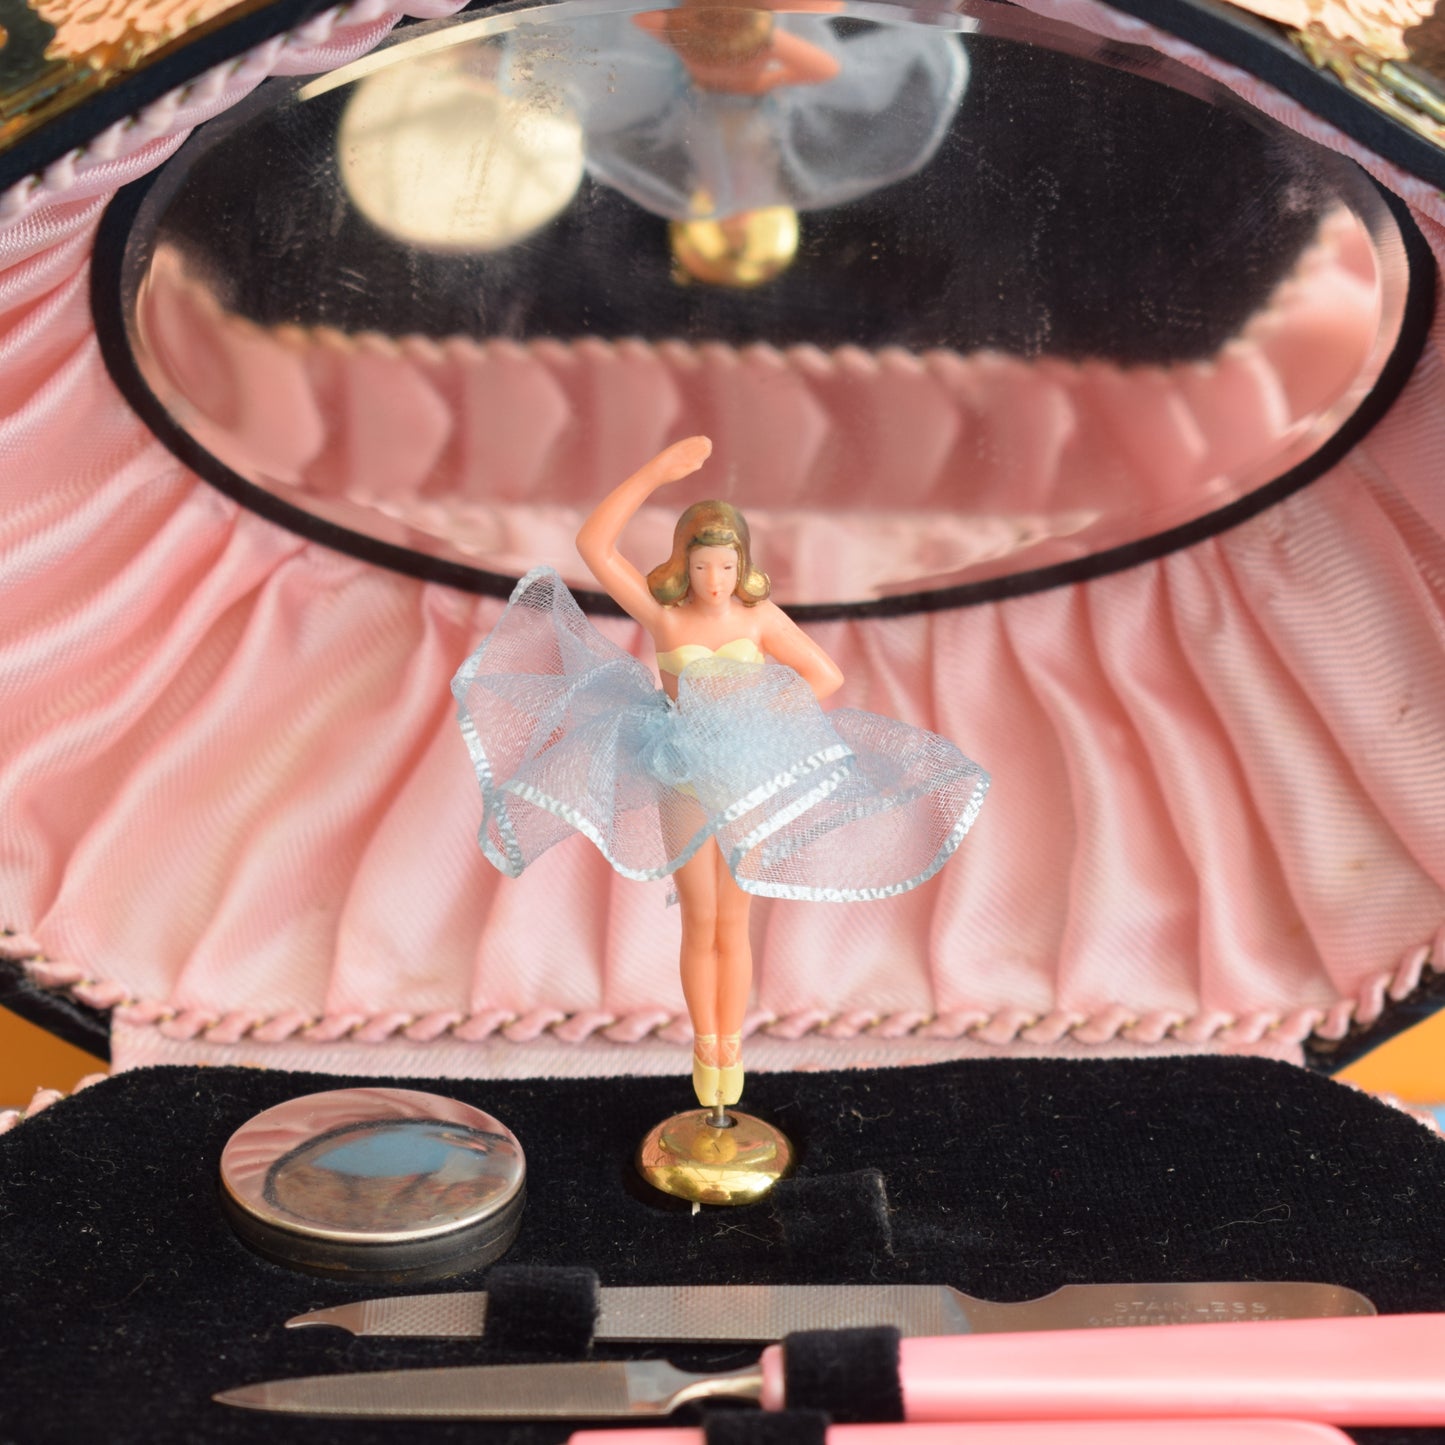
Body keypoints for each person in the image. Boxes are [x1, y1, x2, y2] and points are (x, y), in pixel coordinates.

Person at [452, 436, 987, 1110]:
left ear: (743, 567)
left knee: (733, 917)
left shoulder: (759, 617)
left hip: (744, 775)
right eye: (702, 566)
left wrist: (760, 709)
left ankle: (729, 1042)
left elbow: (823, 674)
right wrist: (655, 472)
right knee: (698, 918)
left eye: (726, 567)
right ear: (683, 564)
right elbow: (595, 545)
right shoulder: (665, 617)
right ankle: (704, 1040)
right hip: (678, 770)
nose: (714, 580)